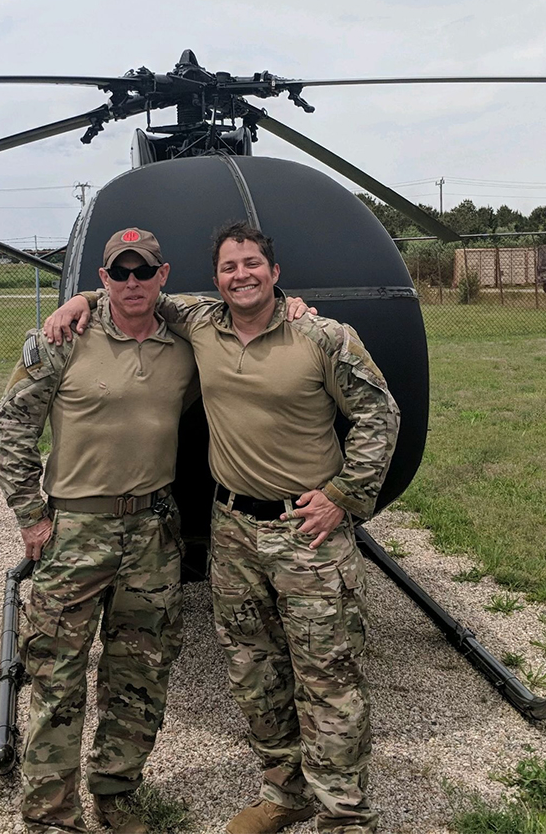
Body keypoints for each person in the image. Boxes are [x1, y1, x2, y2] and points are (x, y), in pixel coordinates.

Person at [45, 222, 400, 834]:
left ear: (275, 271)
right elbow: (136, 295)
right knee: (254, 673)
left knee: (327, 677)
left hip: (305, 534)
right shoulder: (201, 323)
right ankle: (286, 793)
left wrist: (343, 495)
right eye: (230, 267)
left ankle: (345, 814)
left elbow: (380, 412)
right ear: (216, 280)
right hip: (233, 530)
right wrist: (80, 300)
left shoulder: (323, 336)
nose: (242, 275)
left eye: (252, 264)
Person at [0, 227, 197, 834]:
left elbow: (239, 308)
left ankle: (116, 791)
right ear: (103, 279)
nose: (132, 283)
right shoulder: (62, 338)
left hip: (154, 532)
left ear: (163, 276)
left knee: (142, 671)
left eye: (144, 271)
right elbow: (9, 431)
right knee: (57, 675)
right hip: (76, 528)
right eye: (119, 273)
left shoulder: (185, 341)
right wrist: (31, 517)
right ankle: (52, 811)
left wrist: (292, 302)